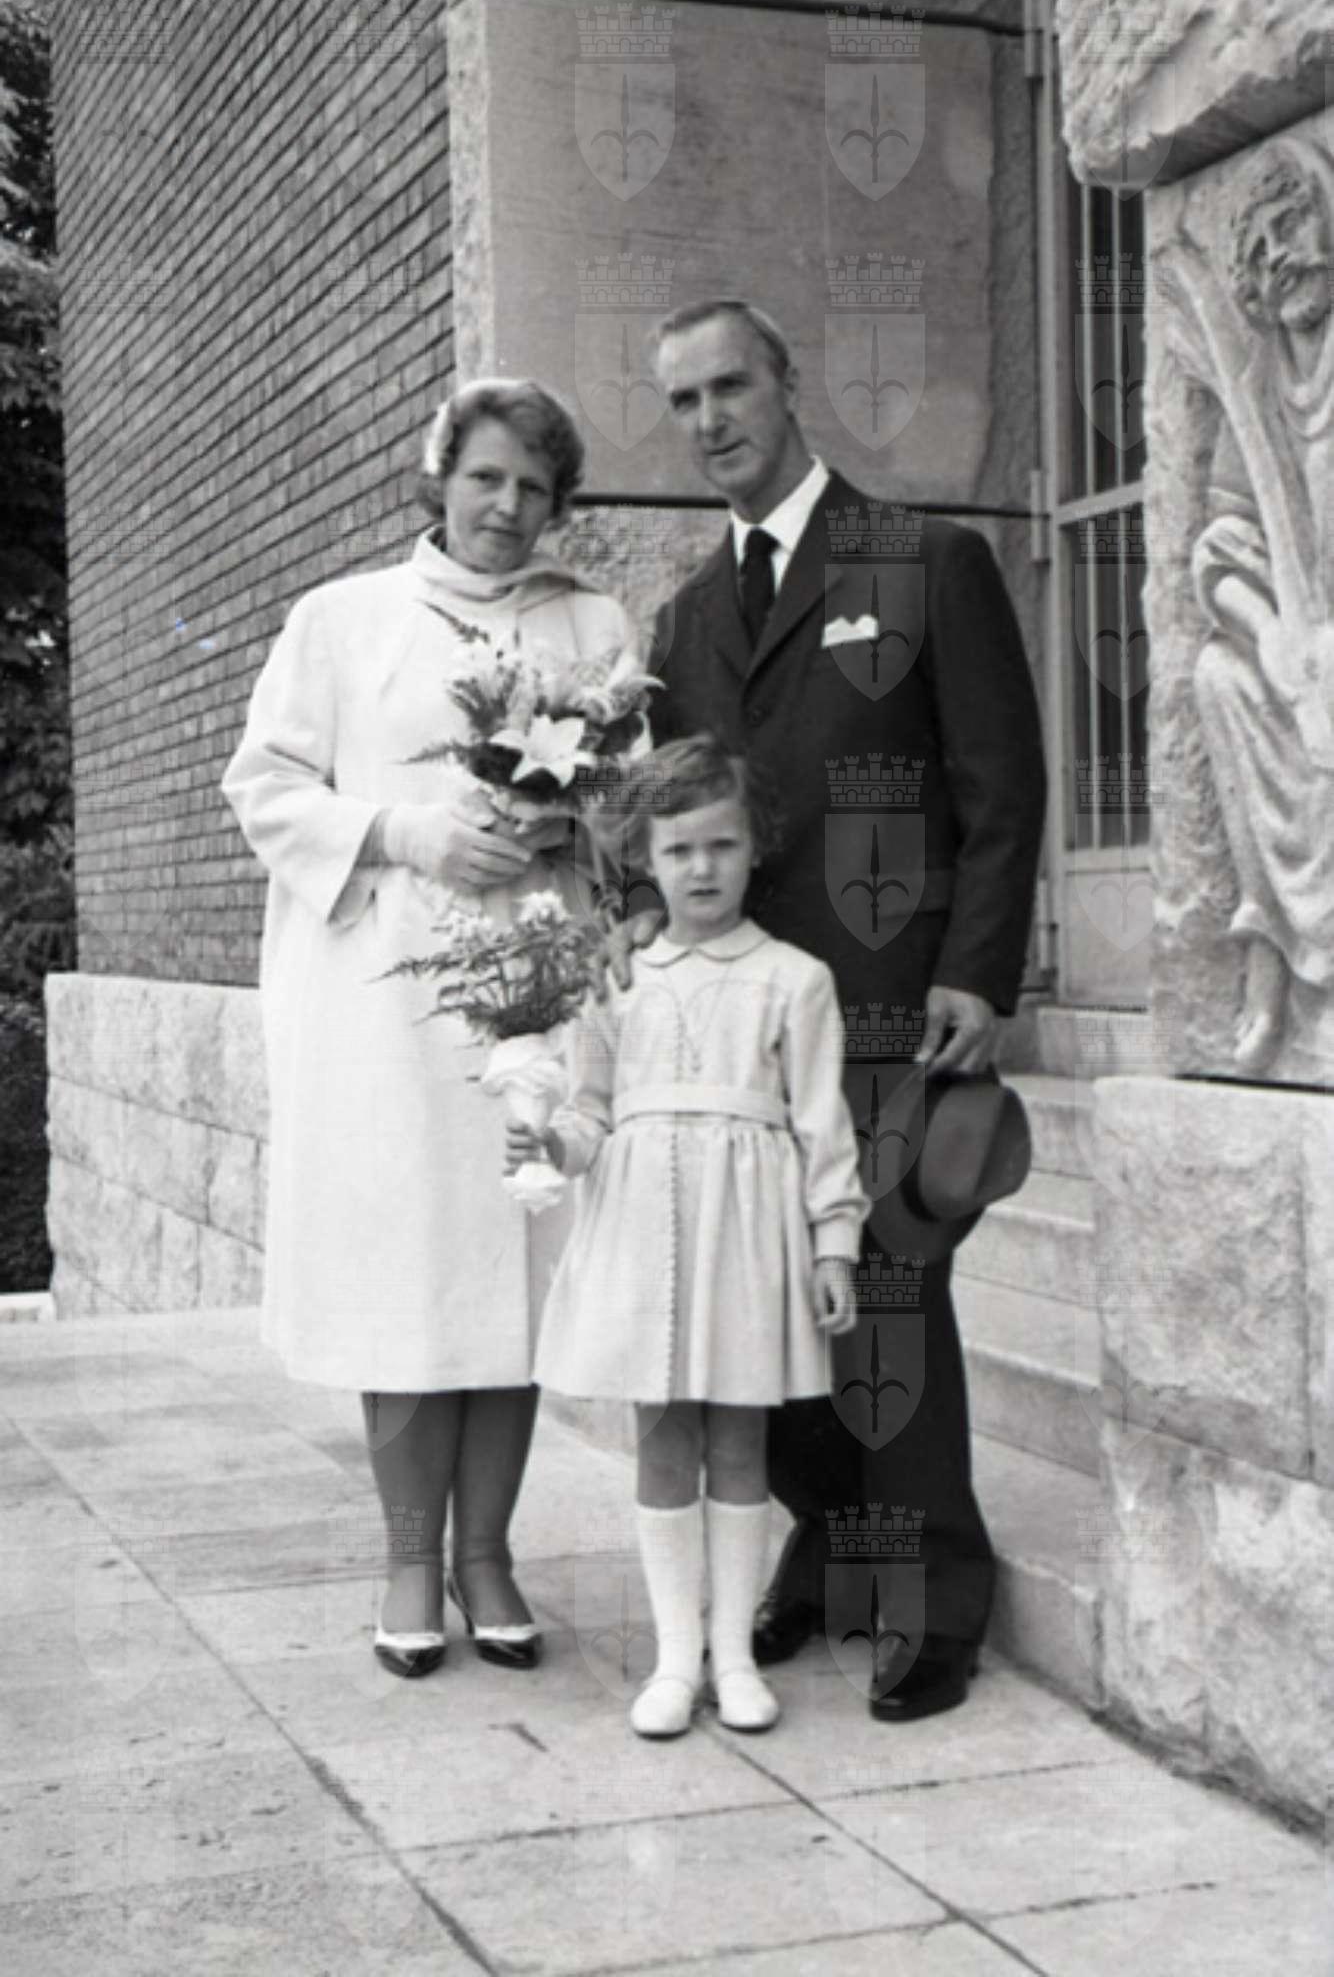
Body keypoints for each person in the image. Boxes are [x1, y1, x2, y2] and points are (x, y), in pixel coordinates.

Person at [646, 300, 1046, 1722]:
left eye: (730, 386)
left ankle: (934, 1594)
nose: (710, 421)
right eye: (682, 400)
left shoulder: (925, 561)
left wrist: (977, 970)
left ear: (786, 382)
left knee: (886, 1300)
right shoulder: (683, 619)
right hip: (746, 1031)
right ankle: (831, 1541)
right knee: (768, 1299)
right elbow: (675, 822)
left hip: (892, 1012)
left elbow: (1001, 785)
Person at [222, 379, 640, 1679]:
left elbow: (635, 802)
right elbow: (265, 786)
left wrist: (572, 821)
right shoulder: (343, 619)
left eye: (534, 487)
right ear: (439, 478)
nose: (507, 507)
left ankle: (487, 1556)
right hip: (386, 1002)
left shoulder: (590, 624)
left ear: (558, 503)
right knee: (405, 1270)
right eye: (485, 478)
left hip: (532, 982)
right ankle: (410, 1556)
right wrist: (404, 831)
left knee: (515, 1265)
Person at [507, 737, 867, 1738]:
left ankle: (735, 1655)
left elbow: (822, 1125)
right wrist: (550, 1140)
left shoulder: (794, 979)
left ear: (755, 848)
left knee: (740, 1435)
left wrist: (833, 1243)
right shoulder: (616, 977)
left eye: (721, 845)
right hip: (644, 1227)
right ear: (645, 859)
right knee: (663, 1432)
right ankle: (675, 1658)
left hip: (745, 1233)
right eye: (677, 850)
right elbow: (589, 1112)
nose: (700, 868)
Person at [1189, 134, 1334, 1071]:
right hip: (1300, 645)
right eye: (1260, 250)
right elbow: (1222, 538)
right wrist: (1271, 629)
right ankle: (1273, 952)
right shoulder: (1254, 389)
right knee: (1217, 673)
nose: (1282, 258)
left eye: (1294, 227)